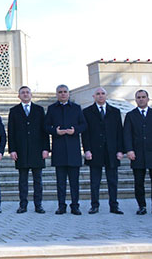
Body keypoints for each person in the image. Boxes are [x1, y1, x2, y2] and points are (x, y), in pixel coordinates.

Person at [123, 89, 152, 215]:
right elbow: (127, 135)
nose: (141, 99)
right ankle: (141, 206)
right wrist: (129, 150)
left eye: (143, 97)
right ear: (135, 99)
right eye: (138, 97)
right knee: (139, 182)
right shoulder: (130, 115)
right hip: (137, 154)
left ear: (148, 99)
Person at [44, 84, 87, 215]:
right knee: (60, 182)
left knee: (74, 182)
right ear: (57, 94)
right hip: (59, 150)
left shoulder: (76, 108)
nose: (63, 94)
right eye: (60, 92)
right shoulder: (52, 109)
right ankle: (61, 206)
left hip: (73, 150)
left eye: (65, 92)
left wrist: (75, 131)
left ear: (69, 94)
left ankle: (75, 206)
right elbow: (45, 126)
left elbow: (84, 125)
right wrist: (55, 131)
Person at [81, 87, 124, 215]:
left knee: (113, 181)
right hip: (95, 151)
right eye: (98, 94)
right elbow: (85, 134)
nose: (100, 96)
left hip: (112, 151)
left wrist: (120, 150)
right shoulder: (87, 112)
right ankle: (94, 205)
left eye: (103, 94)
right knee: (95, 181)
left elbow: (119, 132)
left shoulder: (115, 111)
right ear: (93, 96)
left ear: (106, 96)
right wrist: (87, 150)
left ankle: (114, 206)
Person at [7, 86, 49, 214]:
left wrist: (46, 148)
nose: (25, 94)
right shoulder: (14, 111)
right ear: (19, 96)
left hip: (37, 150)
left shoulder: (39, 110)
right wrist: (12, 150)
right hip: (21, 151)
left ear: (31, 95)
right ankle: (23, 205)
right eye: (23, 93)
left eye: (27, 92)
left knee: (38, 180)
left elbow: (44, 131)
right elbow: (11, 132)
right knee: (23, 181)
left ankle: (38, 205)